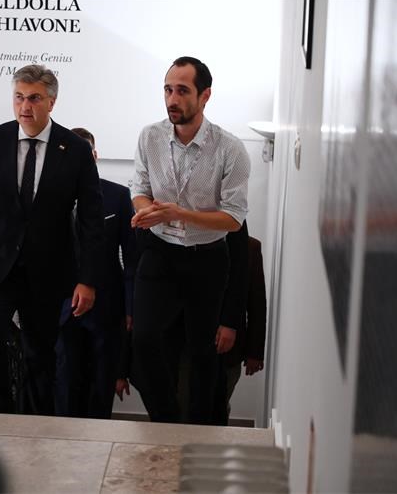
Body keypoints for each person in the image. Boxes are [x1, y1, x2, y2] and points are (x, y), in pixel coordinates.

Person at [0, 65, 104, 416]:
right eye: (19, 97)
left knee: (40, 357)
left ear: (52, 102)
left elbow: (92, 219)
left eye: (34, 98)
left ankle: (34, 428)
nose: (25, 106)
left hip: (47, 270)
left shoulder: (75, 150)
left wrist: (87, 279)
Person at [129, 56, 250, 424]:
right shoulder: (149, 136)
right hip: (160, 252)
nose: (172, 99)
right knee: (143, 338)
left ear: (205, 95)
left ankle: (198, 428)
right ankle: (165, 419)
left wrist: (179, 214)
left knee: (202, 351)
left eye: (182, 91)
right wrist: (147, 211)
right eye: (168, 90)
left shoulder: (230, 148)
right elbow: (139, 188)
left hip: (207, 258)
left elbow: (233, 219)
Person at [54, 127, 137, 419]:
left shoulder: (118, 195)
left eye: (85, 152)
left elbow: (132, 258)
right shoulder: (50, 195)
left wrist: (130, 307)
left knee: (101, 390)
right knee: (64, 388)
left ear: (95, 155)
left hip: (107, 308)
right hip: (62, 308)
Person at [213, 231, 267, 425]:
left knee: (218, 406)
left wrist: (255, 353)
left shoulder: (251, 247)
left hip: (230, 350)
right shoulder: (189, 243)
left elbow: (256, 301)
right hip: (188, 345)